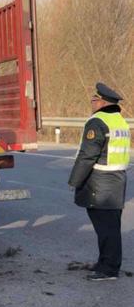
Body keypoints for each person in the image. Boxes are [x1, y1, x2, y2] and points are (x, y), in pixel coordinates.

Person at [69, 82, 131, 281]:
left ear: (102, 101)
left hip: (101, 182)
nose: (92, 103)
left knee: (106, 228)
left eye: (93, 100)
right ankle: (105, 262)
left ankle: (109, 269)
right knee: (110, 225)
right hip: (117, 179)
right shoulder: (119, 121)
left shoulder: (97, 122)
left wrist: (75, 181)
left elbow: (88, 155)